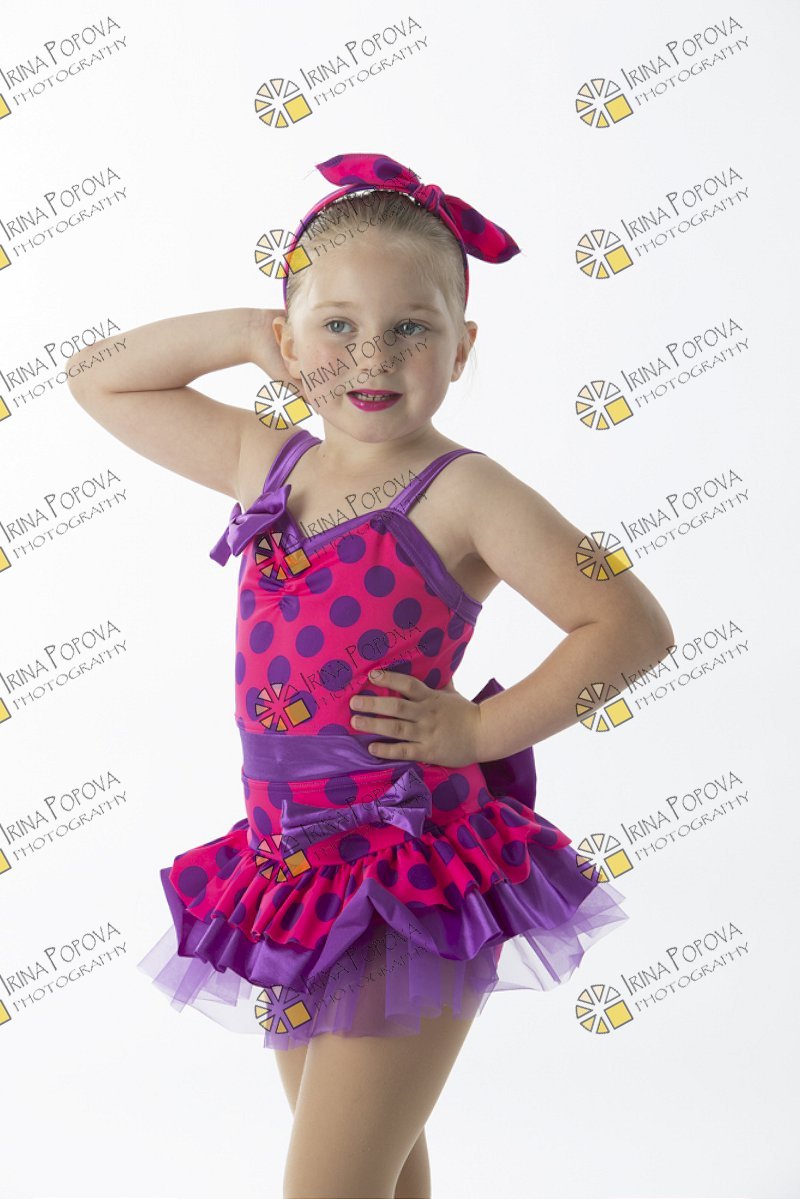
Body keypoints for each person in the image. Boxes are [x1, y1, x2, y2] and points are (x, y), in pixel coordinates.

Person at [68, 152, 673, 1199]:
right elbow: (98, 375)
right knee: (375, 1175)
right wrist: (245, 334)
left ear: (462, 346)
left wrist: (478, 734)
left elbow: (629, 624)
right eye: (338, 326)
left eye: (411, 328)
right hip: (292, 872)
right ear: (289, 338)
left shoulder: (465, 491)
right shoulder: (270, 463)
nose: (372, 355)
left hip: (408, 876)